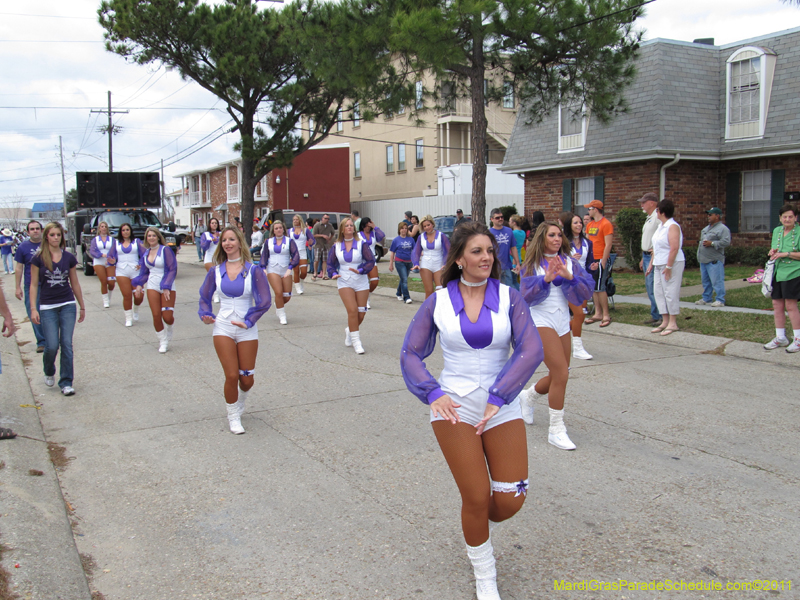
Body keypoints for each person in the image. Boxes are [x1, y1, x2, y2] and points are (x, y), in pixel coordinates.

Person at [400, 222, 543, 600]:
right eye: (476, 251)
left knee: (511, 498)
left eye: (489, 251)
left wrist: (501, 394)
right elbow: (410, 353)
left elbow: (531, 349)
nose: (485, 257)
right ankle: (484, 570)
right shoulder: (439, 300)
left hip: (501, 403)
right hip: (454, 406)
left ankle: (475, 523)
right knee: (477, 496)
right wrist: (432, 393)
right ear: (459, 258)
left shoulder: (510, 297)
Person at [520, 221, 594, 450]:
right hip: (540, 320)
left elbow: (586, 291)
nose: (557, 239)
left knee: (560, 374)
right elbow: (525, 295)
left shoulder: (569, 262)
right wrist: (546, 279)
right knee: (561, 372)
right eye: (551, 235)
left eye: (559, 235)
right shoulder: (532, 264)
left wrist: (570, 276)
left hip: (563, 321)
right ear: (542, 238)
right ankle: (556, 429)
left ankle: (529, 396)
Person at [199, 227, 272, 434]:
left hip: (246, 329)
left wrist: (249, 321)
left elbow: (265, 301)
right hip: (223, 327)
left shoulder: (253, 270)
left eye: (232, 239)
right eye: (224, 240)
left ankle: (240, 401)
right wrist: (205, 314)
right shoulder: (215, 271)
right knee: (231, 375)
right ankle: (233, 415)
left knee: (246, 379)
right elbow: (204, 298)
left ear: (240, 242)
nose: (227, 243)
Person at [30, 222, 86, 396]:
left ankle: (66, 381)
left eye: (58, 235)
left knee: (67, 344)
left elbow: (74, 282)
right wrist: (33, 308)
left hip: (67, 304)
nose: (56, 238)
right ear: (46, 236)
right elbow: (33, 285)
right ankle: (48, 369)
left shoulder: (68, 257)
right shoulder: (38, 258)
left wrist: (81, 305)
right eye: (52, 234)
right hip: (47, 306)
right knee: (52, 345)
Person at [327, 218, 375, 354]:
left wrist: (360, 270)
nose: (350, 227)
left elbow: (370, 261)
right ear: (342, 229)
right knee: (352, 311)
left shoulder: (362, 244)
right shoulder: (336, 246)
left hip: (361, 280)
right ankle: (356, 341)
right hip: (344, 280)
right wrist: (333, 273)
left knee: (361, 313)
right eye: (347, 226)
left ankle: (349, 330)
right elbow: (330, 264)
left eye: (351, 225)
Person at [132, 228, 178, 353]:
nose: (151, 238)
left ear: (158, 237)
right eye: (149, 236)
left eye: (153, 235)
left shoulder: (165, 250)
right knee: (156, 315)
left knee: (167, 316)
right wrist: (139, 285)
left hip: (167, 285)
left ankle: (170, 327)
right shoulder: (146, 253)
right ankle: (163, 341)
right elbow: (144, 272)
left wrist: (166, 286)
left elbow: (172, 269)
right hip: (152, 285)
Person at [560, 212, 597, 360]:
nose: (579, 225)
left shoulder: (588, 242)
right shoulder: (563, 242)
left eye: (580, 222)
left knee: (580, 317)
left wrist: (592, 267)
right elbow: (558, 260)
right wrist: (569, 259)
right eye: (575, 222)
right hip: (567, 280)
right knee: (579, 314)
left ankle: (557, 331)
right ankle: (578, 348)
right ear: (569, 225)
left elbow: (589, 262)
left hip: (582, 281)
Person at [764, 204, 800, 353]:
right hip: (778, 272)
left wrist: (786, 254)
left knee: (790, 305)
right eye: (784, 217)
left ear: (795, 218)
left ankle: (798, 339)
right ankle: (781, 337)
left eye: (790, 217)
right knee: (777, 304)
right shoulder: (777, 231)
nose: (787, 219)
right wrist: (773, 252)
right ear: (780, 218)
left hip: (794, 272)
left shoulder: (799, 232)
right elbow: (775, 250)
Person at [647, 200, 685, 336]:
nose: (656, 213)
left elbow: (674, 248)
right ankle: (665, 320)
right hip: (658, 262)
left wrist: (669, 266)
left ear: (662, 212)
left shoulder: (672, 226)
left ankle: (673, 323)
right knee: (658, 291)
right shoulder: (661, 227)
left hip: (672, 263)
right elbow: (656, 248)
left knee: (670, 291)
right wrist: (651, 263)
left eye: (657, 210)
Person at [14, 220, 45, 352]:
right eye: (32, 229)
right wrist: (17, 287)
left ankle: (53, 338)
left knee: (50, 313)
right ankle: (41, 341)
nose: (35, 231)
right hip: (31, 285)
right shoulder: (22, 247)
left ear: (42, 230)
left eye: (37, 228)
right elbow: (19, 268)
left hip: (48, 284)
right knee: (34, 312)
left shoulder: (48, 244)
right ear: (28, 232)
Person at [260, 220, 299, 325]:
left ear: (283, 229)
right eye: (276, 228)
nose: (278, 230)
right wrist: (263, 267)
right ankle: (282, 315)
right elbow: (264, 255)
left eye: (280, 228)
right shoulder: (268, 241)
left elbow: (295, 255)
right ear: (273, 230)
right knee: (278, 292)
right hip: (273, 270)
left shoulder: (289, 241)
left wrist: (290, 267)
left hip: (286, 269)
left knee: (286, 296)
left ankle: (278, 303)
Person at [106, 222, 145, 327]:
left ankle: (135, 308)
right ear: (120, 232)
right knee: (127, 295)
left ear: (130, 231)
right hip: (121, 271)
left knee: (139, 296)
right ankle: (128, 318)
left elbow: (145, 254)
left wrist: (141, 264)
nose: (125, 232)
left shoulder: (137, 242)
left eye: (127, 229)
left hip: (135, 271)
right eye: (123, 230)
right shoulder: (116, 243)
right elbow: (110, 256)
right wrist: (112, 261)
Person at [584, 200, 614, 327]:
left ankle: (606, 314)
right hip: (591, 259)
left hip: (600, 258)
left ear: (595, 209)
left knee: (601, 287)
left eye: (590, 209)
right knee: (594, 288)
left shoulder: (606, 224)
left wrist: (603, 260)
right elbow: (587, 241)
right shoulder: (590, 225)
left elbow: (608, 244)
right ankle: (598, 313)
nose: (588, 211)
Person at [696, 207, 731, 308]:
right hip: (703, 259)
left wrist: (712, 243)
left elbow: (726, 242)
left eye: (710, 214)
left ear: (717, 216)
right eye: (708, 214)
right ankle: (707, 298)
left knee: (717, 281)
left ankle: (720, 300)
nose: (708, 216)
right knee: (706, 281)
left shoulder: (723, 229)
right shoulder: (705, 229)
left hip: (714, 260)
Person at [412, 215, 450, 299]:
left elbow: (448, 251)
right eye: (424, 226)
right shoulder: (420, 237)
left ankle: (440, 310)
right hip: (426, 264)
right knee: (429, 291)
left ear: (432, 224)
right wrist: (416, 263)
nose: (427, 227)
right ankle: (428, 311)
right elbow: (416, 252)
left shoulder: (441, 235)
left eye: (428, 225)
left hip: (439, 265)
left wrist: (446, 263)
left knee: (440, 290)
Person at [638, 192, 662, 326]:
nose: (642, 205)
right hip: (646, 255)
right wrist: (643, 257)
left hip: (653, 256)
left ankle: (660, 315)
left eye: (644, 202)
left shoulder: (657, 217)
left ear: (652, 203)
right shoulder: (649, 218)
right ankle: (655, 314)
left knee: (653, 285)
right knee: (649, 286)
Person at [489, 209, 521, 290]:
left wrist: (517, 263)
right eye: (497, 218)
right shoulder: (489, 233)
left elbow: (513, 248)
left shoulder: (509, 230)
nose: (500, 219)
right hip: (494, 267)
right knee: (495, 290)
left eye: (501, 217)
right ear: (491, 219)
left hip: (507, 266)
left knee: (508, 290)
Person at [88, 221, 117, 308]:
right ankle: (105, 301)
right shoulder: (95, 240)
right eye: (102, 226)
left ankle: (109, 296)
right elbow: (92, 250)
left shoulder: (112, 239)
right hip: (99, 261)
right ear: (99, 228)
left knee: (111, 282)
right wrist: (101, 255)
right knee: (103, 281)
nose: (103, 228)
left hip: (109, 262)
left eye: (105, 226)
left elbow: (115, 250)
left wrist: (110, 258)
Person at [357, 217, 385, 303]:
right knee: (364, 281)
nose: (367, 228)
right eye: (365, 226)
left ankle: (367, 295)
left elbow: (382, 236)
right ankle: (364, 299)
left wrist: (375, 226)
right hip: (362, 260)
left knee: (375, 281)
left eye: (368, 226)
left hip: (372, 260)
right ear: (362, 226)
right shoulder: (358, 235)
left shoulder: (374, 234)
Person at [388, 222, 415, 304]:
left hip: (409, 262)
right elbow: (392, 252)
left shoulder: (411, 239)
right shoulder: (396, 240)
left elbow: (414, 250)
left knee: (403, 279)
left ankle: (398, 293)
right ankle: (406, 297)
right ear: (399, 230)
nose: (404, 230)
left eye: (405, 228)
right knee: (404, 280)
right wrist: (391, 264)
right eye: (402, 228)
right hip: (400, 262)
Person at [289, 214, 314, 295]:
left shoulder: (305, 230)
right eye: (294, 219)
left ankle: (301, 281)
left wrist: (310, 244)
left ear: (300, 220)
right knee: (295, 271)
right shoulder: (290, 231)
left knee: (304, 272)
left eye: (297, 219)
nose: (295, 221)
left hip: (302, 252)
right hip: (293, 253)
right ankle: (298, 287)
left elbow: (312, 239)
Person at [201, 218, 221, 302]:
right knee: (213, 276)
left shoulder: (221, 233)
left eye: (215, 223)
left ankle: (218, 293)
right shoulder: (205, 234)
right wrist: (211, 240)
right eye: (212, 223)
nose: (214, 224)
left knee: (220, 277)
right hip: (209, 258)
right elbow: (204, 247)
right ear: (209, 224)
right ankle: (215, 295)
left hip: (219, 258)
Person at [312, 214, 335, 280]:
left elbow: (333, 233)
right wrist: (322, 235)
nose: (327, 220)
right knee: (317, 260)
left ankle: (324, 274)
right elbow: (314, 235)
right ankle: (315, 273)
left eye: (328, 219)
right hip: (318, 244)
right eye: (325, 218)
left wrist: (330, 239)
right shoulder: (317, 225)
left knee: (325, 260)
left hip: (325, 245)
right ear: (322, 218)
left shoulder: (329, 226)